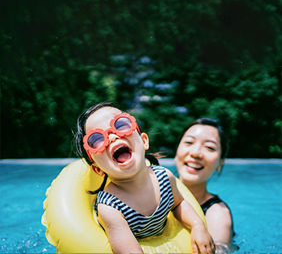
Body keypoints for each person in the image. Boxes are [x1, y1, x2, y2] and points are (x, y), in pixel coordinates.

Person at [75, 102, 215, 254]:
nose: (114, 137)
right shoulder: (109, 206)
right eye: (97, 139)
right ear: (98, 169)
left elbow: (179, 204)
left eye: (120, 124)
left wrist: (197, 226)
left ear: (144, 141)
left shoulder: (164, 178)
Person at [175, 118, 235, 253]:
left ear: (220, 163)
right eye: (189, 142)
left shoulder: (217, 214)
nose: (195, 153)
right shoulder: (150, 189)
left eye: (209, 147)